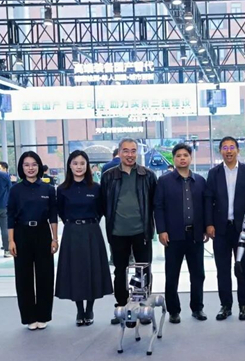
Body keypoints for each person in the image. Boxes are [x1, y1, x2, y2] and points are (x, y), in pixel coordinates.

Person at [101, 138, 157, 325]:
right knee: (120, 271)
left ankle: (142, 308)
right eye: (126, 151)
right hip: (117, 232)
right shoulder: (108, 176)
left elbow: (154, 203)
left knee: (143, 271)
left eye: (133, 151)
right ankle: (122, 308)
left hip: (141, 231)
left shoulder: (148, 175)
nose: (130, 155)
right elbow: (104, 204)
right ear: (119, 153)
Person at [55, 150, 113, 326]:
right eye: (75, 163)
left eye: (82, 163)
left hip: (92, 231)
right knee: (76, 271)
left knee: (92, 269)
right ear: (69, 166)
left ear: (87, 166)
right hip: (72, 232)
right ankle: (79, 310)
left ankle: (90, 309)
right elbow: (61, 212)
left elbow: (101, 210)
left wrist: (89, 223)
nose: (79, 167)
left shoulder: (96, 188)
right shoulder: (62, 189)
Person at [205, 136, 245, 321]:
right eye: (225, 148)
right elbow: (208, 200)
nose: (228, 151)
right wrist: (209, 224)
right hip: (220, 229)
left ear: (238, 150)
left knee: (242, 268)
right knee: (222, 270)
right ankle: (226, 306)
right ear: (220, 151)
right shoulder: (214, 173)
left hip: (242, 229)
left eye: (232, 147)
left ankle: (244, 305)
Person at [155, 143, 208, 324]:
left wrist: (205, 227)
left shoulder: (200, 181)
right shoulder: (164, 181)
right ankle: (174, 310)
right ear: (174, 158)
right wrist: (161, 230)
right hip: (173, 236)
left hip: (195, 235)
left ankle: (197, 308)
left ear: (190, 158)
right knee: (172, 275)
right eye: (178, 155)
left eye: (185, 155)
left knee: (198, 274)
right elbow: (159, 207)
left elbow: (205, 207)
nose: (182, 158)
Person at [7, 152, 59, 330]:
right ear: (21, 168)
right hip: (21, 233)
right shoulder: (15, 190)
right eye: (26, 165)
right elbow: (10, 216)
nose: (30, 168)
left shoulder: (48, 189)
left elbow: (53, 215)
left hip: (43, 232)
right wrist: (11, 241)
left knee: (45, 275)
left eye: (34, 164)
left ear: (39, 166)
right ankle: (29, 317)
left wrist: (55, 238)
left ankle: (43, 315)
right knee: (23, 277)